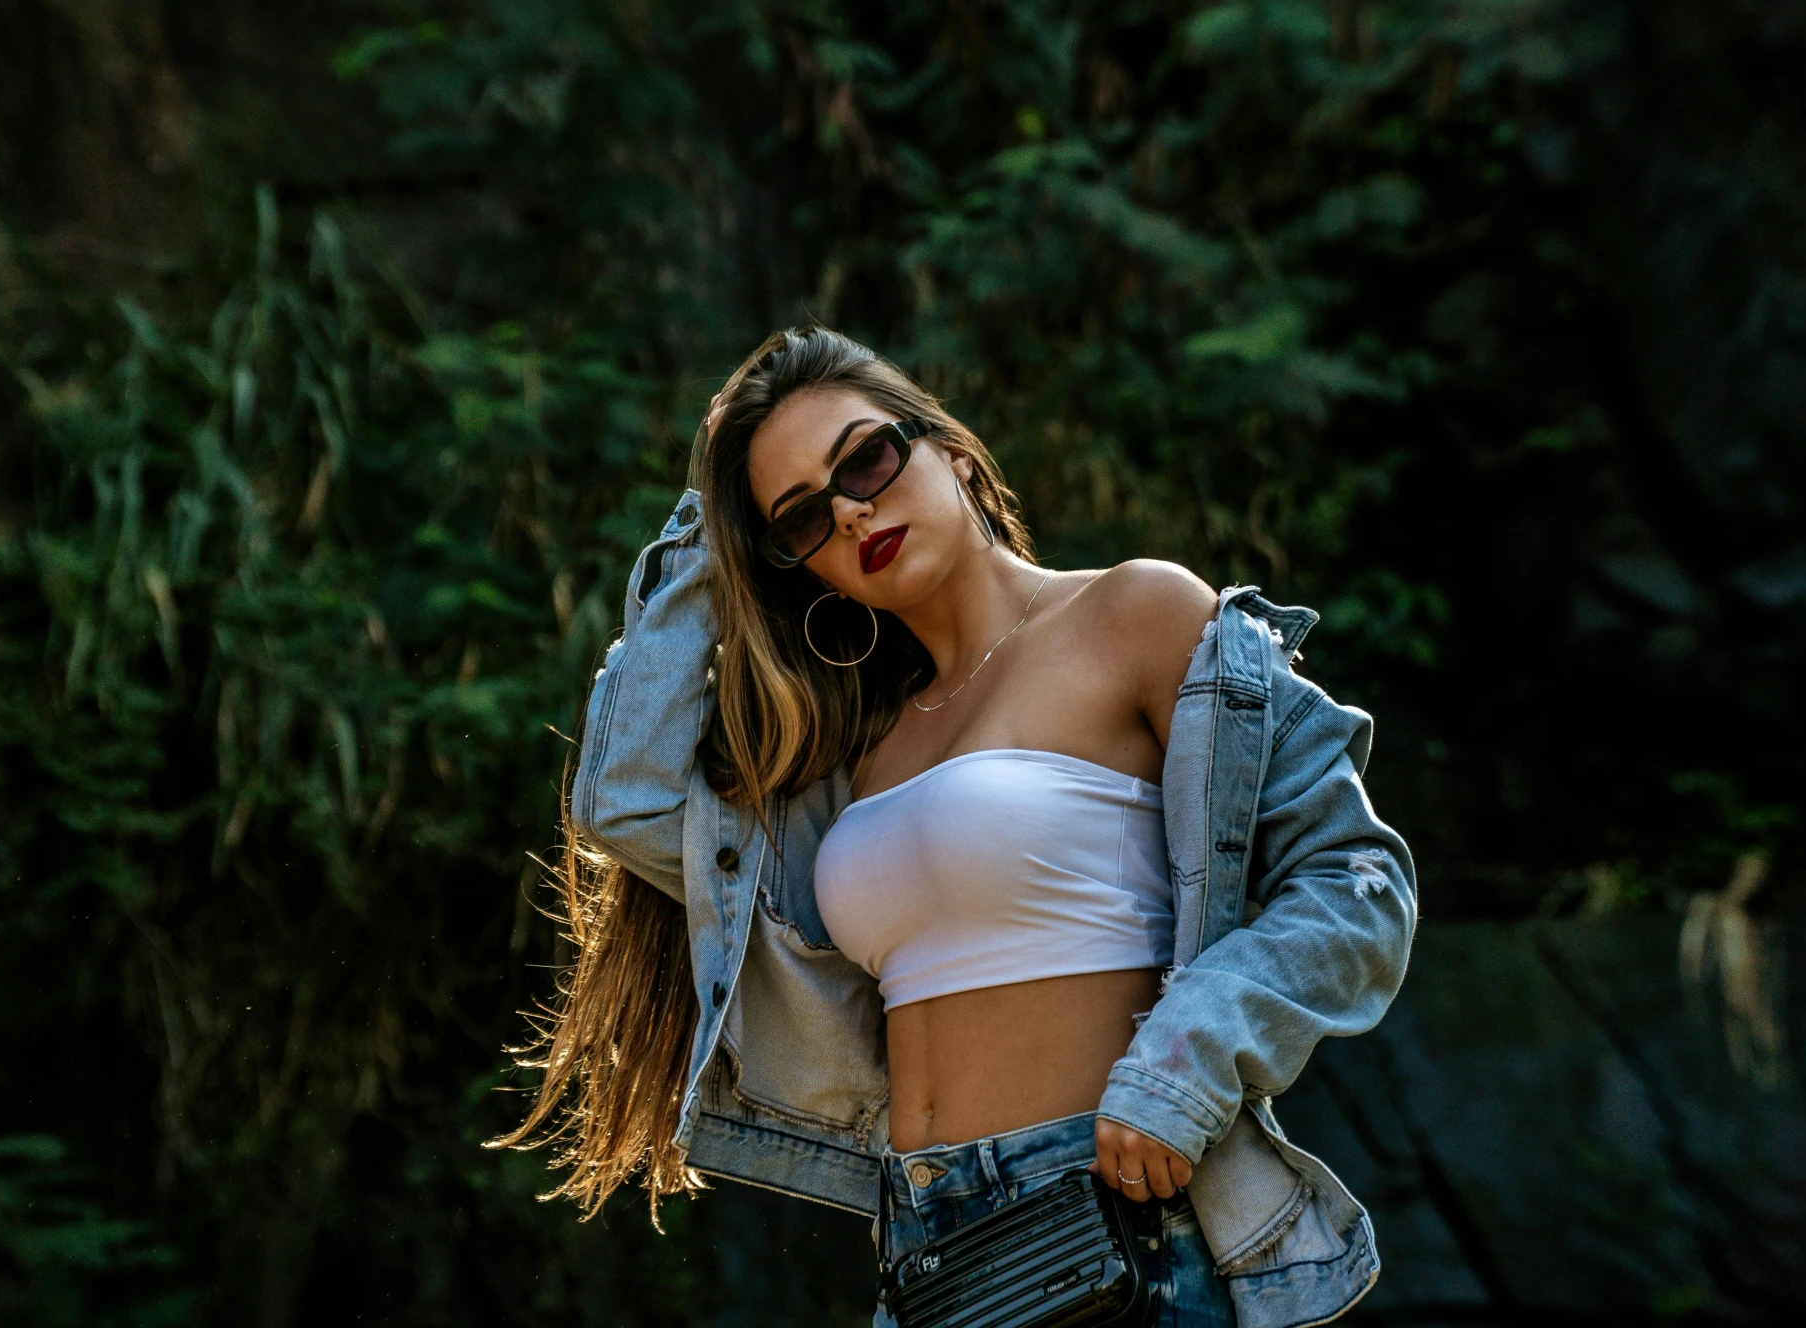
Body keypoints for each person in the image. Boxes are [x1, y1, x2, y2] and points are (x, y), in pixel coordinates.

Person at [493, 328, 1416, 1328]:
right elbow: (623, 803)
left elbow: (1351, 881)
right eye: (800, 517)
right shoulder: (847, 753)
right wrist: (703, 539)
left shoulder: (1132, 613)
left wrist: (1181, 1070)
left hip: (1118, 1218)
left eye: (867, 460)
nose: (849, 509)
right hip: (927, 1250)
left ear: (954, 454)